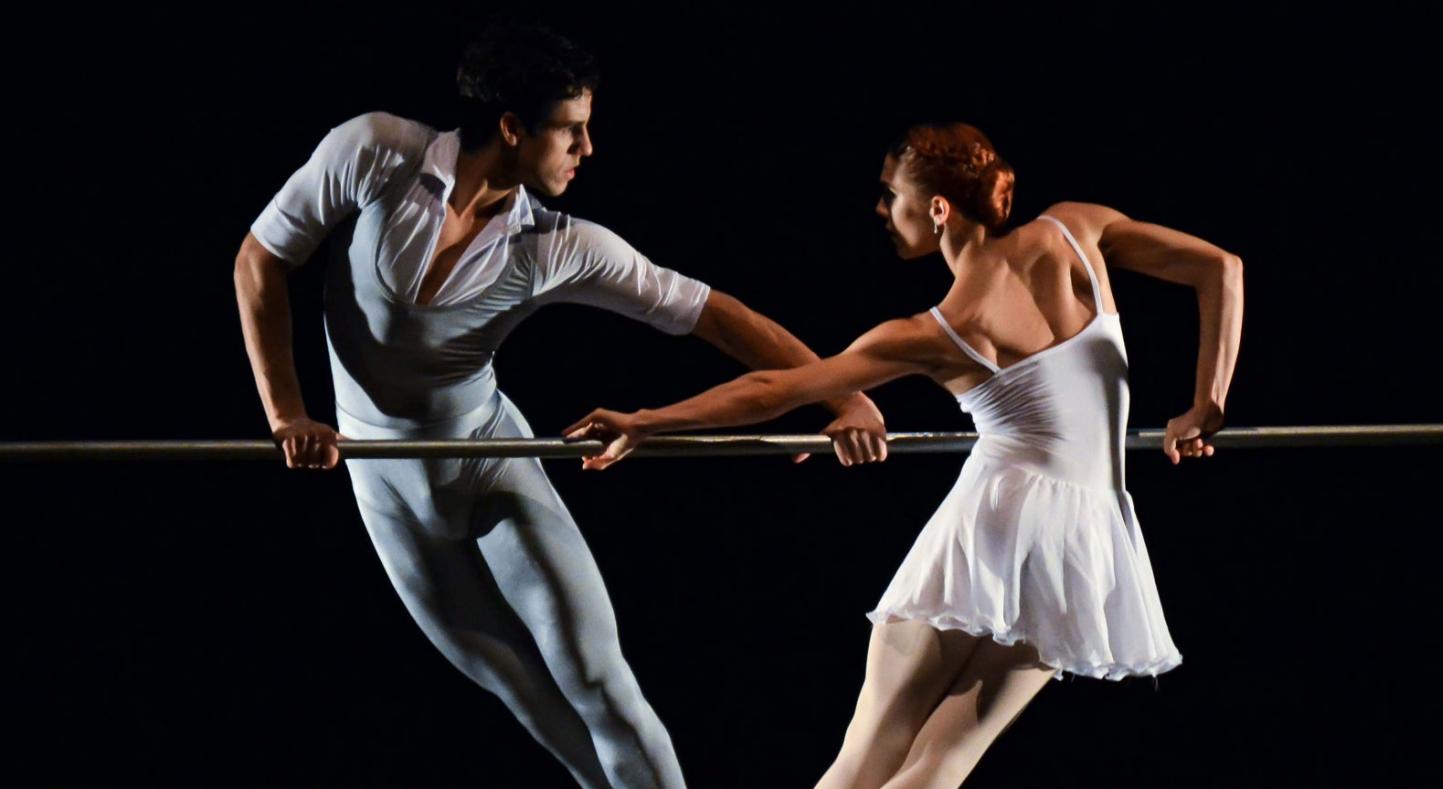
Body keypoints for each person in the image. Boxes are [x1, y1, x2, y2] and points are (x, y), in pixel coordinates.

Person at [232, 22, 886, 789]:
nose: (588, 149)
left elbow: (711, 312)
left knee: (599, 682)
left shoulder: (562, 245)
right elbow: (260, 259)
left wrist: (846, 392)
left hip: (489, 461)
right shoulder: (375, 151)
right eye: (572, 130)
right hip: (385, 487)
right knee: (529, 697)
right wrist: (287, 414)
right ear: (512, 128)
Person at [564, 122, 1244, 787]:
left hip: (993, 531)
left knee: (863, 761)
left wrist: (648, 420)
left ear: (939, 210)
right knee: (938, 769)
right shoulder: (1076, 229)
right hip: (1082, 545)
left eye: (892, 195)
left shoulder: (939, 329)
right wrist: (1205, 399)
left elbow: (774, 387)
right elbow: (1221, 267)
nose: (882, 210)